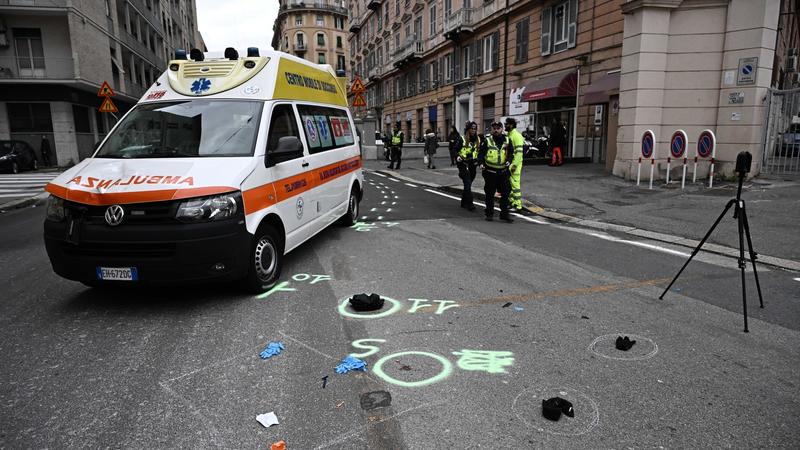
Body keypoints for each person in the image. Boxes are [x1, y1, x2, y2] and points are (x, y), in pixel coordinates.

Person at [478, 121, 513, 222]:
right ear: (491, 130)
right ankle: (489, 214)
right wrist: (481, 163)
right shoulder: (487, 141)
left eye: (498, 128)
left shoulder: (507, 140)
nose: (496, 130)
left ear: (502, 129)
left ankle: (504, 214)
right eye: (494, 128)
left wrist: (509, 161)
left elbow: (511, 152)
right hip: (490, 172)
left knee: (506, 192)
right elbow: (480, 154)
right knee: (489, 193)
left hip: (503, 171)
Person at [456, 122, 480, 211]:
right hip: (463, 164)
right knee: (467, 183)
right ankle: (470, 203)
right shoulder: (462, 139)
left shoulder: (478, 139)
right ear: (468, 129)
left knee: (468, 184)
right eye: (472, 128)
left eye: (475, 128)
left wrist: (479, 161)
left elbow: (480, 151)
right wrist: (457, 156)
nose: (473, 130)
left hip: (473, 164)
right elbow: (455, 149)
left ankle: (463, 202)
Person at [504, 117, 525, 211]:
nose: (505, 125)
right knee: (510, 184)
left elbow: (519, 152)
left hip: (514, 164)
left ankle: (518, 205)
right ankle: (512, 202)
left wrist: (514, 165)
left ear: (511, 125)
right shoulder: (509, 135)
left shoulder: (516, 135)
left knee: (515, 184)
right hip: (510, 163)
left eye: (506, 124)